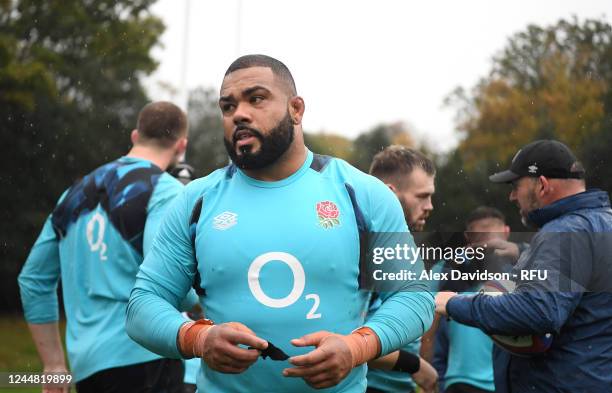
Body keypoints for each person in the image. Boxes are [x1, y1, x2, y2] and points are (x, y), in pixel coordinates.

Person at [126, 54, 434, 393]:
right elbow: (143, 305)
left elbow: (414, 298)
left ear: (296, 109)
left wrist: (355, 347)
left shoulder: (362, 194)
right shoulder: (195, 200)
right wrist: (197, 338)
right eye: (227, 107)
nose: (239, 113)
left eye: (256, 99)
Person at [18, 101, 192, 393]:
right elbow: (170, 285)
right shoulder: (166, 190)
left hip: (87, 366)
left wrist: (53, 365)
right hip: (147, 357)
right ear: (181, 146)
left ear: (135, 136)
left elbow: (33, 280)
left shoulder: (72, 194)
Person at [435, 140, 612, 393]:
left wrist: (454, 303)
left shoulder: (564, 232)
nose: (512, 196)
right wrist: (524, 252)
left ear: (542, 185)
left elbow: (538, 310)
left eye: (516, 186)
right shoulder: (601, 223)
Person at [366, 146, 438, 393]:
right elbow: (342, 337)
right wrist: (414, 365)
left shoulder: (398, 247)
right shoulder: (363, 251)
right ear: (388, 194)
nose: (429, 206)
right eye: (421, 196)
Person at [432, 207, 510, 393]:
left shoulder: (521, 277)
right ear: (468, 238)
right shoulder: (447, 274)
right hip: (458, 384)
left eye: (491, 242)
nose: (485, 247)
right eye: (479, 240)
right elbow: (434, 334)